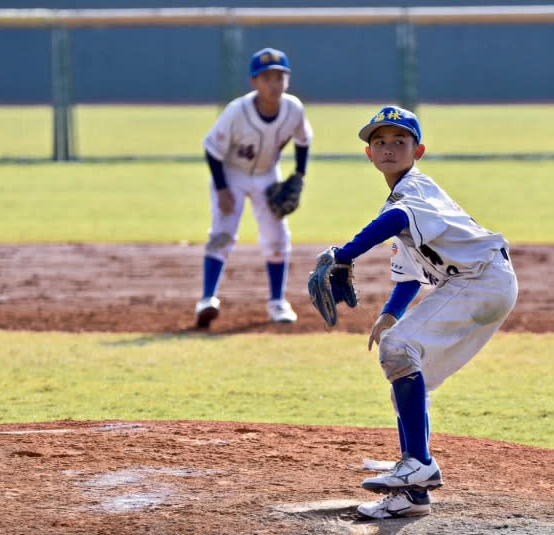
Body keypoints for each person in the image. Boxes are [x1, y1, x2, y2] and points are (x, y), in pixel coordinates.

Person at [330, 106, 518, 519]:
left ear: (419, 151)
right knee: (409, 373)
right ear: (369, 154)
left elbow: (395, 218)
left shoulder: (414, 190)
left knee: (399, 351)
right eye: (380, 141)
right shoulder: (404, 201)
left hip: (481, 281)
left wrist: (344, 254)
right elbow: (410, 276)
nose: (389, 148)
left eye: (400, 141)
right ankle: (412, 495)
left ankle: (419, 462)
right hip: (477, 283)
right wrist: (390, 314)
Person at [195, 47, 313, 328]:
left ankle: (277, 302)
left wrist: (299, 175)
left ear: (287, 79)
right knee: (222, 233)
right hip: (231, 173)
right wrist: (223, 189)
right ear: (254, 82)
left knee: (276, 237)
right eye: (267, 77)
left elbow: (303, 140)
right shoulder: (238, 111)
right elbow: (212, 150)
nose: (274, 83)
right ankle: (207, 299)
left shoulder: (293, 108)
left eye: (279, 77)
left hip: (266, 175)